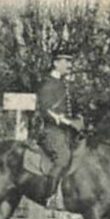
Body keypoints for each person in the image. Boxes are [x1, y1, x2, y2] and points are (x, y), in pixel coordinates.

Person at [33, 51, 86, 197]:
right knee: (63, 157)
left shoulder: (66, 85)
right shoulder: (48, 84)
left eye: (70, 62)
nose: (69, 65)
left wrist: (80, 119)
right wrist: (69, 122)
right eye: (66, 61)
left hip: (68, 132)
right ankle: (49, 196)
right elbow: (47, 111)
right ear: (56, 63)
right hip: (52, 131)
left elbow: (74, 108)